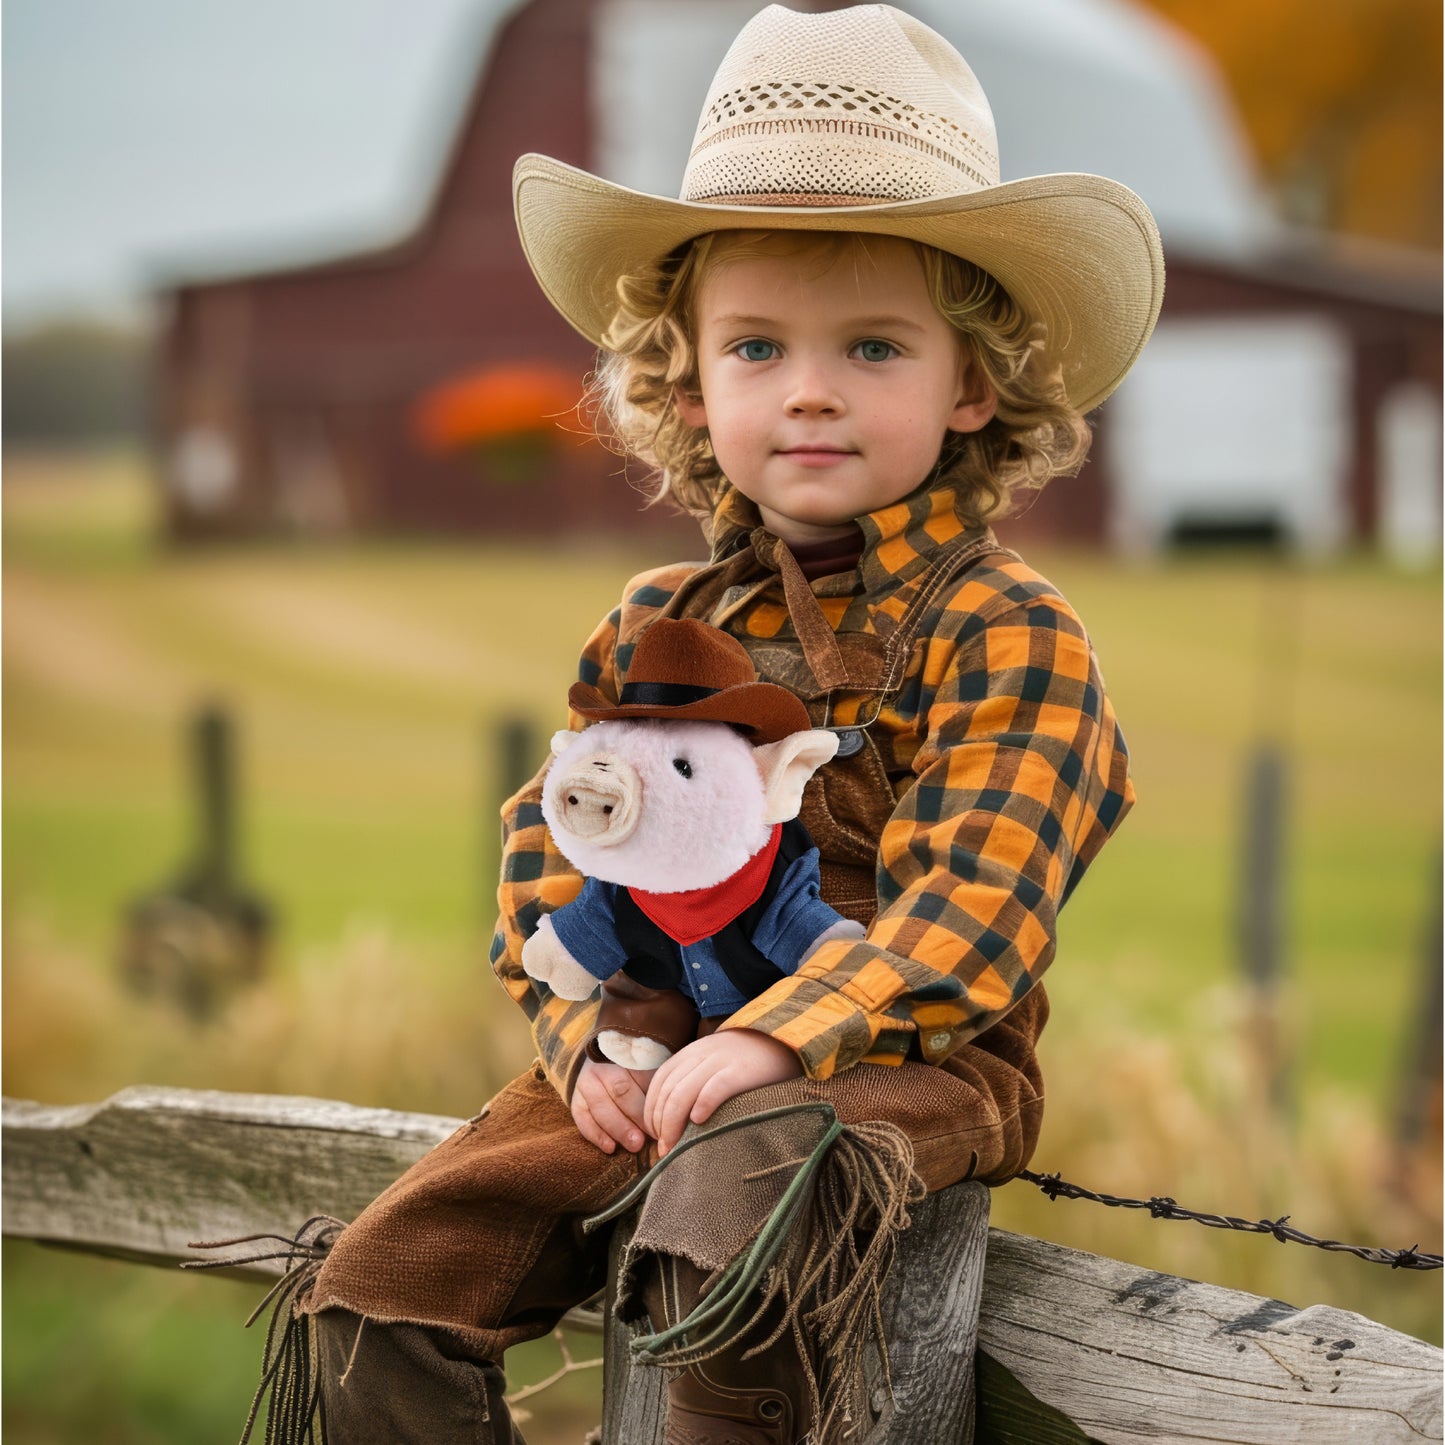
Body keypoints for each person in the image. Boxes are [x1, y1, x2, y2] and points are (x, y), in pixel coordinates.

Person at [237, 5, 1162, 1442]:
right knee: (385, 1285)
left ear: (970, 381)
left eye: (869, 345)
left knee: (729, 1215)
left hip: (903, 1059)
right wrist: (587, 1042)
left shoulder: (1003, 629)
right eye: (753, 347)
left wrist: (779, 1039)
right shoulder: (654, 624)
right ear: (684, 378)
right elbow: (555, 859)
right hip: (654, 1044)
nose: (805, 387)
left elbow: (971, 916)